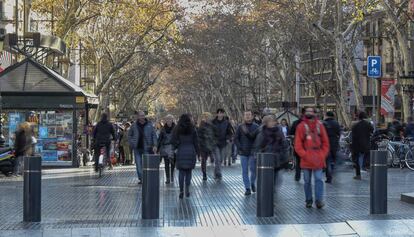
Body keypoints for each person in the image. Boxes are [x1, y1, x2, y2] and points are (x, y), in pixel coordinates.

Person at [294, 107, 330, 209]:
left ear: (314, 113)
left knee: (319, 179)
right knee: (307, 181)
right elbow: (298, 144)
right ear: (304, 113)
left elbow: (325, 142)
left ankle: (319, 200)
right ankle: (309, 200)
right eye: (307, 111)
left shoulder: (320, 126)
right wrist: (304, 155)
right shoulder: (301, 126)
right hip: (306, 158)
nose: (309, 113)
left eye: (311, 111)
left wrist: (322, 154)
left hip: (318, 157)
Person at [254, 115, 289, 186]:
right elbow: (257, 147)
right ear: (266, 123)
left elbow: (284, 145)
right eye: (270, 121)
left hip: (278, 159)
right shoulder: (262, 133)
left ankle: (273, 191)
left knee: (277, 179)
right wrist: (260, 156)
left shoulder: (279, 132)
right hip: (266, 160)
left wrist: (284, 156)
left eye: (273, 121)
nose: (273, 123)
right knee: (268, 180)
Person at [172, 114, 199, 199]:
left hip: (181, 151)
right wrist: (198, 153)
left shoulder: (176, 129)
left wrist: (176, 147)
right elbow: (196, 142)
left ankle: (181, 191)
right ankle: (187, 188)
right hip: (191, 151)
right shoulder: (193, 129)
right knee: (189, 172)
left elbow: (173, 140)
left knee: (181, 172)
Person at [128, 111, 158, 184]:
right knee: (138, 164)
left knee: (146, 165)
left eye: (143, 115)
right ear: (138, 116)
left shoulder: (150, 125)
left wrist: (155, 145)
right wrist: (132, 143)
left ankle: (146, 177)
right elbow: (129, 135)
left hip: (146, 148)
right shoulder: (134, 125)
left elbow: (154, 135)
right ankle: (141, 178)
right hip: (137, 148)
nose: (142, 117)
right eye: (140, 116)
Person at [235, 110, 260, 196]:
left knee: (254, 170)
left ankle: (252, 182)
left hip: (253, 152)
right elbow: (236, 138)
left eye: (249, 115)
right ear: (244, 116)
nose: (247, 116)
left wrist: (257, 148)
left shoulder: (256, 127)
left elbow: (259, 139)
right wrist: (239, 147)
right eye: (246, 115)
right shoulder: (240, 127)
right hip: (243, 152)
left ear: (252, 116)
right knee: (244, 171)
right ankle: (247, 188)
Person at [351, 111, 374, 180]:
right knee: (367, 155)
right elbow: (372, 130)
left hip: (357, 144)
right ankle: (366, 166)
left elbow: (353, 136)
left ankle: (358, 175)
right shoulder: (368, 124)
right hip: (366, 143)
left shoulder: (355, 125)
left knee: (357, 159)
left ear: (358, 117)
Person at [197, 112, 219, 181]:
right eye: (206, 117)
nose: (207, 118)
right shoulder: (201, 126)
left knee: (213, 159)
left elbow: (216, 134)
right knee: (204, 160)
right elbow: (199, 136)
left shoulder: (212, 125)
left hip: (211, 146)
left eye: (208, 117)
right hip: (203, 147)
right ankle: (204, 174)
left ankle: (214, 173)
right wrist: (201, 144)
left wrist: (215, 142)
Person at [212, 108, 234, 174]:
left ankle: (216, 172)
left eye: (222, 113)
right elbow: (210, 131)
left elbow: (230, 132)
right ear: (217, 114)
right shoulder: (213, 122)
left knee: (220, 159)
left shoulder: (227, 123)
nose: (220, 114)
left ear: (223, 114)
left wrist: (228, 138)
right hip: (215, 143)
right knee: (218, 158)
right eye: (219, 113)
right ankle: (219, 173)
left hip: (223, 143)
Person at [323, 111, 341, 183]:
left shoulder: (323, 123)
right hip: (334, 143)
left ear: (326, 115)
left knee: (327, 160)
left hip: (325, 143)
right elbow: (338, 133)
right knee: (333, 159)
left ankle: (328, 176)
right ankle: (333, 170)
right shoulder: (336, 123)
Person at [158, 115, 176, 184]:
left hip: (173, 148)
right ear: (166, 120)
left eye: (170, 119)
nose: (169, 121)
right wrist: (157, 148)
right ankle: (168, 178)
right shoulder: (163, 129)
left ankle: (172, 176)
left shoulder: (176, 128)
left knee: (173, 164)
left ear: (172, 120)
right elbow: (160, 139)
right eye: (167, 119)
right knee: (166, 164)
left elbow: (178, 138)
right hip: (165, 148)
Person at [290, 108, 306, 181]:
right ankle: (299, 176)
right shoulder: (296, 123)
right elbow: (291, 133)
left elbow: (291, 133)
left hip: (301, 145)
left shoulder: (296, 123)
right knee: (300, 161)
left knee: (299, 162)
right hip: (301, 145)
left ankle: (298, 176)